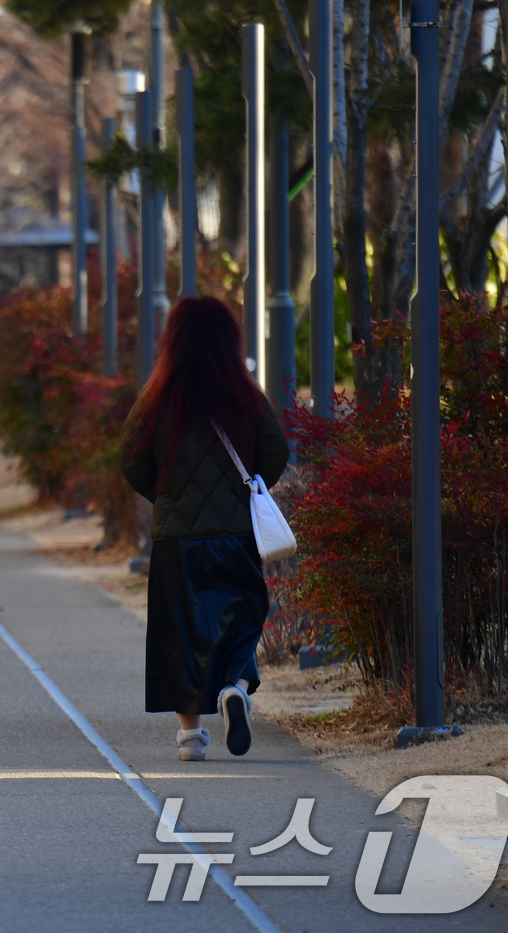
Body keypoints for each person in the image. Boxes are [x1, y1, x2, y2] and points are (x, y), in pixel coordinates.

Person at [118, 295, 289, 762]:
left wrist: (167, 496)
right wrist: (245, 490)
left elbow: (130, 459)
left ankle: (191, 737)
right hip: (235, 533)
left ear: (172, 340)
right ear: (227, 339)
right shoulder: (244, 393)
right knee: (239, 615)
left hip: (176, 538)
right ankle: (234, 689)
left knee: (181, 631)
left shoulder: (157, 395)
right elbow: (275, 452)